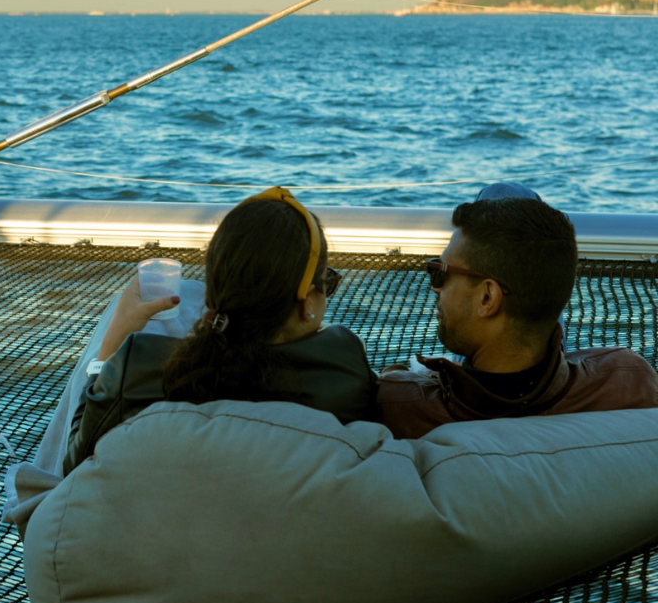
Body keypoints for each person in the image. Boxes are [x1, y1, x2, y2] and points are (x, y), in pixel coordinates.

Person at [63, 186, 377, 474]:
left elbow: (74, 464)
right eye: (328, 281)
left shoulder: (139, 368)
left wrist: (111, 347)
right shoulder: (345, 371)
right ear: (306, 301)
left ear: (214, 289)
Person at [376, 194, 658, 438]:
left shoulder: (402, 406)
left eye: (440, 273)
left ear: (487, 298)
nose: (435, 287)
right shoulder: (628, 381)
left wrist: (396, 376)